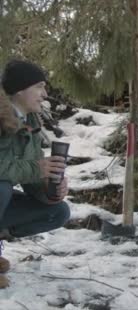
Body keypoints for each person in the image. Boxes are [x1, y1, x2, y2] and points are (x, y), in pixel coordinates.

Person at [0, 60, 71, 289]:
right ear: (20, 89)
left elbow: (31, 179)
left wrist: (50, 190)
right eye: (39, 86)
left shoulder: (29, 125)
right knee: (2, 187)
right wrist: (37, 168)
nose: (45, 94)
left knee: (57, 212)